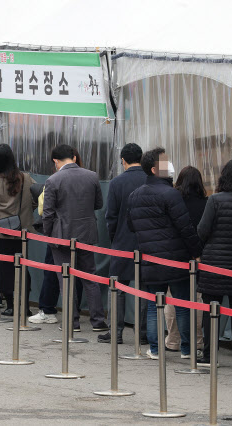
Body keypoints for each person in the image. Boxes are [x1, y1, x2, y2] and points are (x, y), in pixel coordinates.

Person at [127, 148, 202, 359]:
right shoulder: (171, 194)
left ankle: (155, 349)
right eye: (165, 162)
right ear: (154, 169)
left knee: (154, 305)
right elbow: (185, 227)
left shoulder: (135, 195)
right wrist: (197, 252)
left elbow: (131, 225)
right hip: (176, 259)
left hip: (150, 259)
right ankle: (187, 349)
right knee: (183, 305)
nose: (169, 165)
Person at [42, 144, 107, 331]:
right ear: (75, 157)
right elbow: (98, 204)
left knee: (66, 278)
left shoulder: (53, 180)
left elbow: (47, 213)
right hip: (86, 232)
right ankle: (98, 321)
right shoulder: (92, 176)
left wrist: (49, 234)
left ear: (55, 160)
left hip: (61, 235)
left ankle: (73, 322)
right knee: (90, 277)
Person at [196, 159, 232, 369]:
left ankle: (209, 356)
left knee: (212, 310)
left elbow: (202, 231)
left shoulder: (215, 200)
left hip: (214, 264)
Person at [98, 143, 146, 344]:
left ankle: (116, 332)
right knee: (145, 289)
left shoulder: (117, 182)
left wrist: (114, 237)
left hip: (122, 241)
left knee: (117, 288)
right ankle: (144, 333)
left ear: (123, 161)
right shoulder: (152, 180)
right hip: (148, 243)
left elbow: (111, 215)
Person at [0, 144, 37, 315]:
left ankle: (11, 306)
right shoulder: (26, 178)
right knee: (22, 269)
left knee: (3, 271)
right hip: (22, 232)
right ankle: (26, 306)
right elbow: (39, 196)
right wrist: (28, 211)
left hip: (0, 233)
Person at [165, 166, 207, 353]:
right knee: (197, 298)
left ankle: (174, 340)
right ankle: (196, 341)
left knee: (173, 298)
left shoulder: (173, 202)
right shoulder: (207, 203)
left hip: (174, 255)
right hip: (199, 255)